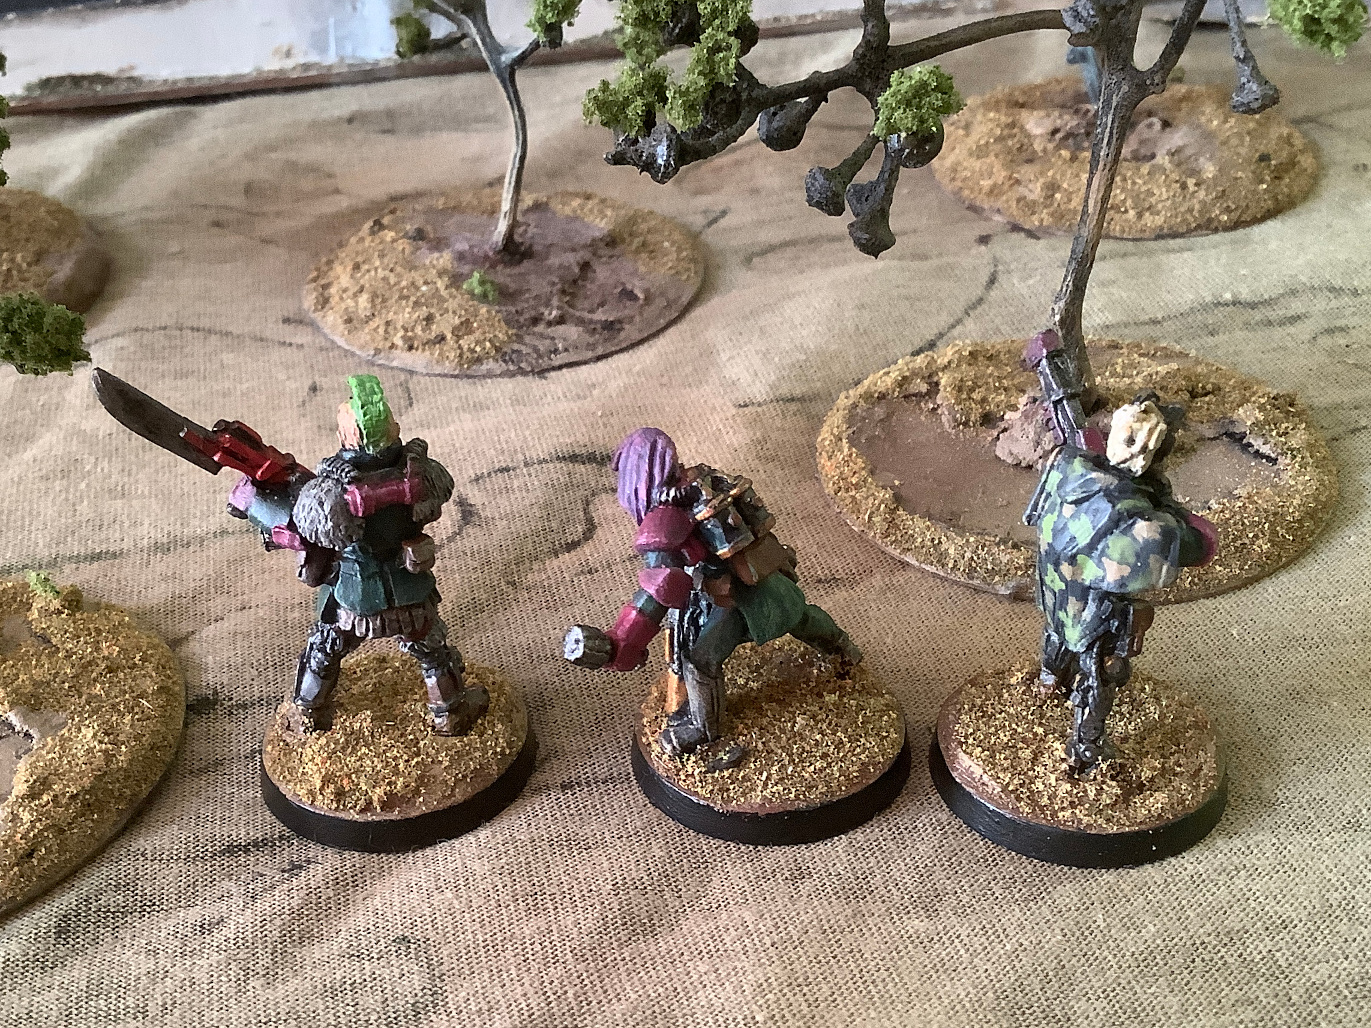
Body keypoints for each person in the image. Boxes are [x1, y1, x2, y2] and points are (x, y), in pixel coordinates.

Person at [565, 427, 861, 757]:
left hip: (738, 597)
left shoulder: (665, 517)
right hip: (764, 576)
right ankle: (841, 646)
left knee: (699, 662)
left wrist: (624, 640)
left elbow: (662, 587)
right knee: (799, 615)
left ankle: (702, 727)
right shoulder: (701, 482)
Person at [1024, 390, 1217, 771]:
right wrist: (1171, 513)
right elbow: (1195, 547)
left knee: (1058, 637)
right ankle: (1086, 746)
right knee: (1102, 674)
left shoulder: (1067, 465)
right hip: (1096, 612)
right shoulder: (1140, 522)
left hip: (1056, 591)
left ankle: (1048, 680)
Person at [286, 375, 487, 736]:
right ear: (393, 429)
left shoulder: (330, 488)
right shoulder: (420, 472)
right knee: (433, 653)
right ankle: (450, 714)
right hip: (408, 590)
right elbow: (436, 497)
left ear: (345, 436)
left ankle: (308, 712)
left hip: (356, 595)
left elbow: (313, 530)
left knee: (325, 647)